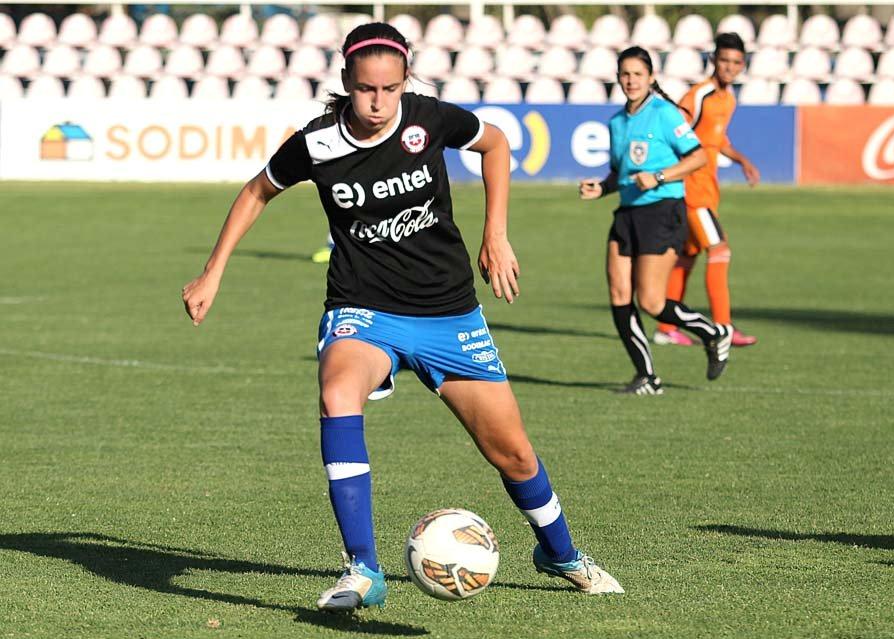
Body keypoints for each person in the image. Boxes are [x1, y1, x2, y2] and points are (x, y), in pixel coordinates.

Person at [182, 22, 623, 612]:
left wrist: (496, 234)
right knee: (339, 392)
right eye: (367, 89)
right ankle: (363, 568)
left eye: (390, 89)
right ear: (346, 81)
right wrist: (214, 269)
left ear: (404, 81)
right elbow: (258, 190)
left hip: (448, 311)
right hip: (362, 307)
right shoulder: (316, 144)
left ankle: (560, 553)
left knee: (512, 452)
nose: (378, 102)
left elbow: (496, 144)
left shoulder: (429, 118)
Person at [580, 46, 733, 396]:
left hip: (663, 212)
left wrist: (660, 176)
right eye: (625, 74)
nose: (631, 80)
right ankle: (647, 377)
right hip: (627, 214)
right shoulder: (617, 122)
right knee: (619, 293)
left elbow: (696, 158)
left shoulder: (666, 114)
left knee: (651, 302)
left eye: (637, 74)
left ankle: (713, 332)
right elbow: (620, 172)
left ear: (650, 77)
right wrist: (600, 187)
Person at [653, 33, 760, 349]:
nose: (729, 67)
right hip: (692, 190)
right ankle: (723, 328)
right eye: (724, 60)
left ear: (743, 65)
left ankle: (665, 328)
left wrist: (742, 161)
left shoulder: (728, 99)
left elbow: (715, 139)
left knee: (687, 256)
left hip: (707, 189)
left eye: (736, 62)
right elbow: (679, 134)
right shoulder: (699, 95)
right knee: (719, 249)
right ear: (714, 60)